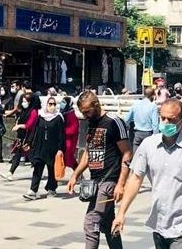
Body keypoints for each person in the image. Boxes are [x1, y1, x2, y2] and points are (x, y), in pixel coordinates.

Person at [112, 99, 182, 249]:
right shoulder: (148, 145)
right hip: (159, 224)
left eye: (171, 119)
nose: (166, 122)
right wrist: (121, 213)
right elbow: (135, 178)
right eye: (163, 118)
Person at [67, 91, 131, 249]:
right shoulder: (91, 123)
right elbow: (88, 153)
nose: (85, 115)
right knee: (108, 224)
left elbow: (127, 153)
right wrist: (75, 175)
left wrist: (121, 184)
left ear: (96, 105)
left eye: (87, 111)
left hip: (109, 181)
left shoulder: (113, 122)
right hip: (95, 181)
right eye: (82, 112)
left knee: (91, 221)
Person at [24, 96, 65, 200]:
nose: (52, 106)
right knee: (37, 168)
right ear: (45, 105)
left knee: (51, 169)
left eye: (54, 104)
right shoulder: (40, 116)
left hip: (53, 148)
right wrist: (29, 142)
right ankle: (33, 190)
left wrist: (60, 149)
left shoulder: (58, 118)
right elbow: (34, 130)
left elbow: (61, 135)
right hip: (40, 146)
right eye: (50, 104)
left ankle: (51, 189)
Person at [1, 93, 39, 181]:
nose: (23, 103)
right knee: (18, 155)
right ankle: (10, 173)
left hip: (28, 137)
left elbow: (30, 125)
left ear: (30, 102)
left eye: (25, 101)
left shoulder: (33, 111)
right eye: (23, 101)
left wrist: (19, 126)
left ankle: (38, 172)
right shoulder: (24, 111)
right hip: (21, 136)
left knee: (31, 156)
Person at [125, 87, 159, 151]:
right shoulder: (153, 106)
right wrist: (156, 137)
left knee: (136, 155)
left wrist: (127, 126)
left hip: (137, 134)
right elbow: (155, 124)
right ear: (153, 96)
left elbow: (127, 119)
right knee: (148, 154)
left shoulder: (136, 104)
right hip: (148, 134)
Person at [61, 95, 80, 174]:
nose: (62, 104)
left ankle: (78, 173)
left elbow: (73, 129)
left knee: (69, 158)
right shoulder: (63, 113)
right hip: (64, 139)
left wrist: (63, 131)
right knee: (65, 158)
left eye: (64, 102)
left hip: (70, 140)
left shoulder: (71, 114)